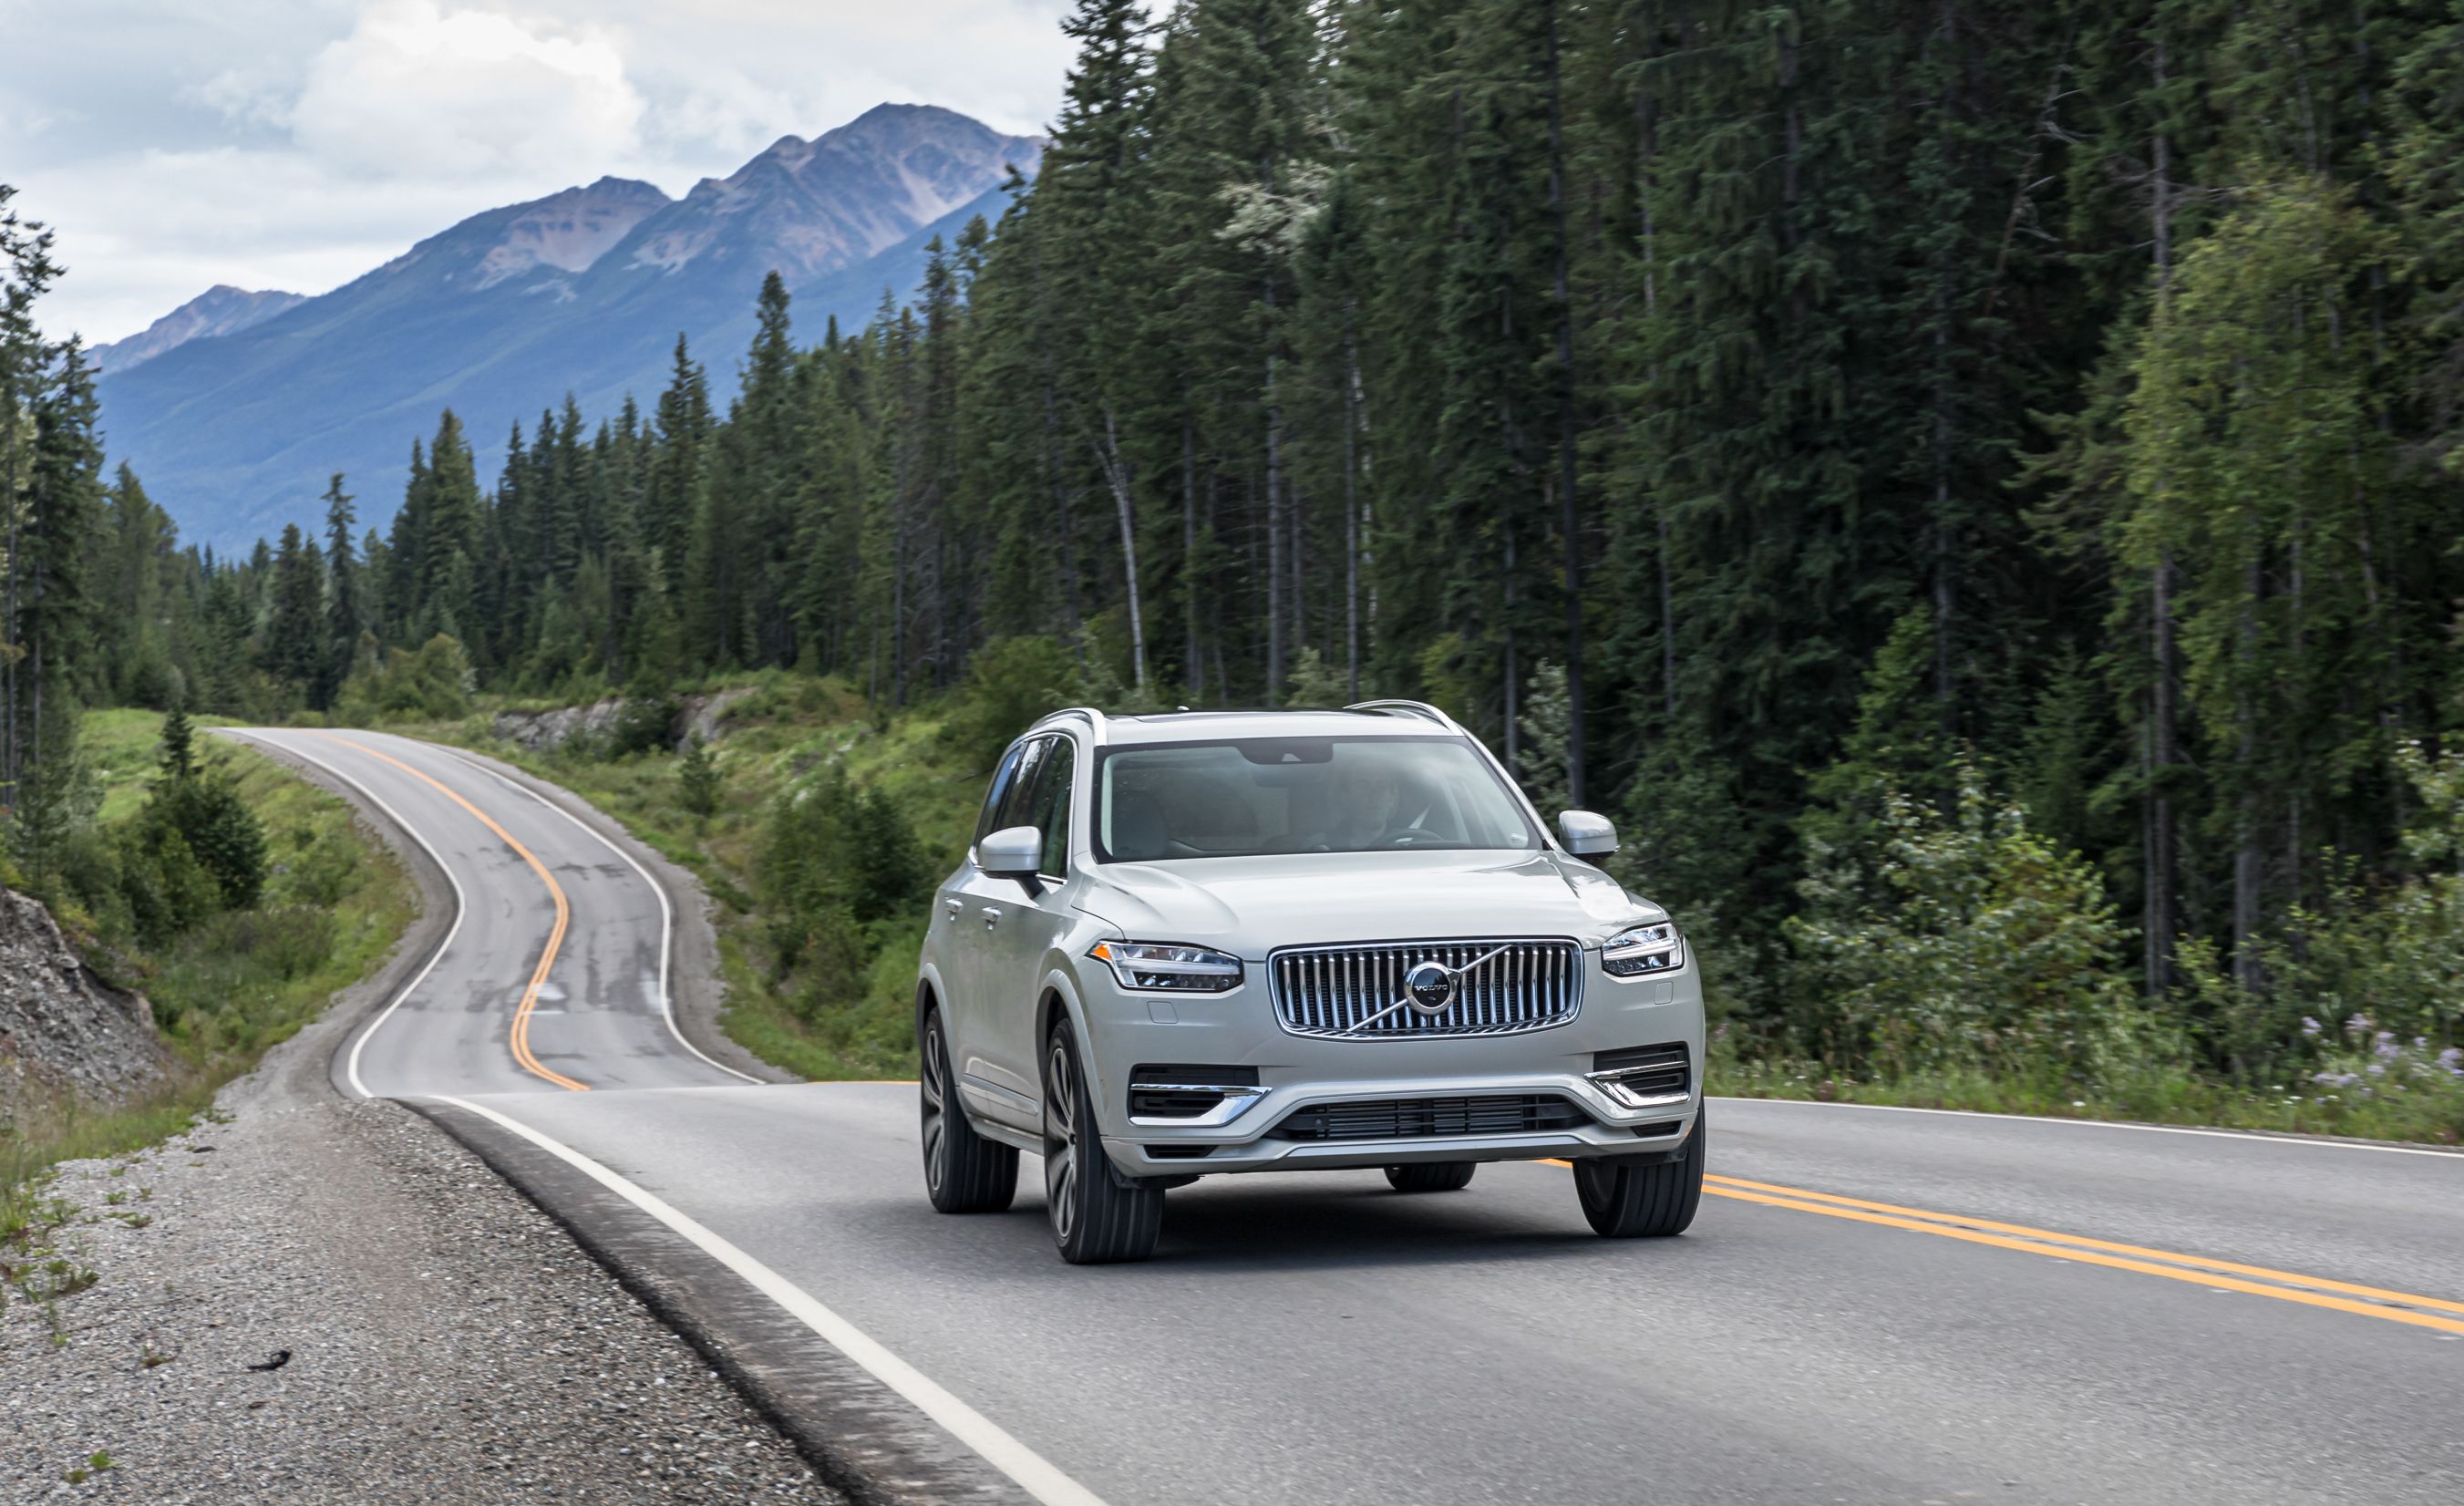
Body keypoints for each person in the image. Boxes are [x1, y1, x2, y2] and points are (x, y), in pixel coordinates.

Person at [1325, 758, 1405, 850]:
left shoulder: (1409, 843)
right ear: (1345, 797)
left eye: (1382, 786)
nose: (1374, 795)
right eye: (1363, 786)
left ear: (1392, 798)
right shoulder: (1322, 847)